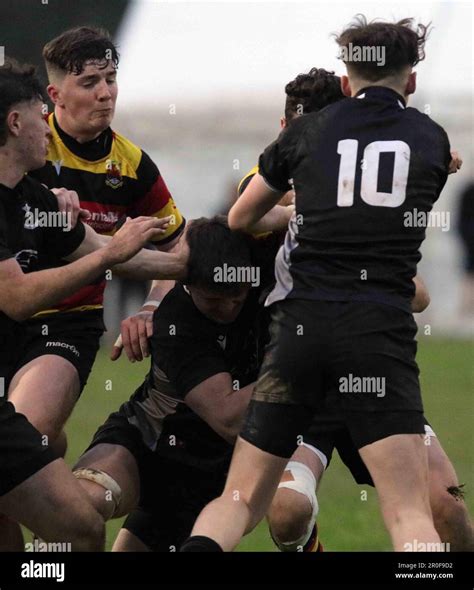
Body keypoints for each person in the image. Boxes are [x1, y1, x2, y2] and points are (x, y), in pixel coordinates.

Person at [180, 16, 455, 552]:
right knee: (407, 512)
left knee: (236, 501)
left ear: (347, 81)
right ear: (412, 81)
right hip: (377, 332)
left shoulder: (306, 133)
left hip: (297, 332)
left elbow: (238, 219)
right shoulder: (431, 140)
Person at [243, 68, 473, 552]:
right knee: (287, 512)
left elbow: (420, 295)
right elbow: (198, 243)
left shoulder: (353, 201)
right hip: (302, 383)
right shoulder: (261, 193)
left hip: (371, 373)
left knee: (447, 506)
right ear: (284, 132)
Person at [0, 59, 185, 550]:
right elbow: (16, 298)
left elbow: (119, 256)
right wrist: (110, 254)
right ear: (16, 123)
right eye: (40, 113)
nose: (48, 126)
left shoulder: (33, 196)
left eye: (110, 81)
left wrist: (210, 261)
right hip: (20, 342)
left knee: (79, 528)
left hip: (54, 341)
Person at [71, 217, 273, 551]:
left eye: (237, 299)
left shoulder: (253, 269)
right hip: (147, 444)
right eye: (213, 300)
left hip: (205, 476)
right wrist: (298, 365)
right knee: (82, 505)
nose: (228, 309)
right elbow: (229, 418)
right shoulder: (174, 320)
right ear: (187, 284)